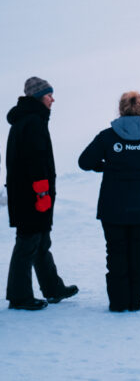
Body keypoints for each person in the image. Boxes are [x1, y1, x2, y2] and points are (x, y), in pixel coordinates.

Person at [78, 91, 140, 312]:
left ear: (120, 109)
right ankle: (135, 302)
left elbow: (84, 161)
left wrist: (104, 165)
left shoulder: (107, 136)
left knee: (116, 252)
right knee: (139, 251)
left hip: (113, 205)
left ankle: (118, 303)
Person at [5, 77, 78, 311]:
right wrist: (42, 193)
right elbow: (35, 161)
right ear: (38, 97)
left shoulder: (28, 120)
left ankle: (53, 288)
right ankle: (19, 296)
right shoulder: (33, 122)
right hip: (32, 196)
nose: (52, 99)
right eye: (49, 95)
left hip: (29, 193)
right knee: (28, 242)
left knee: (41, 241)